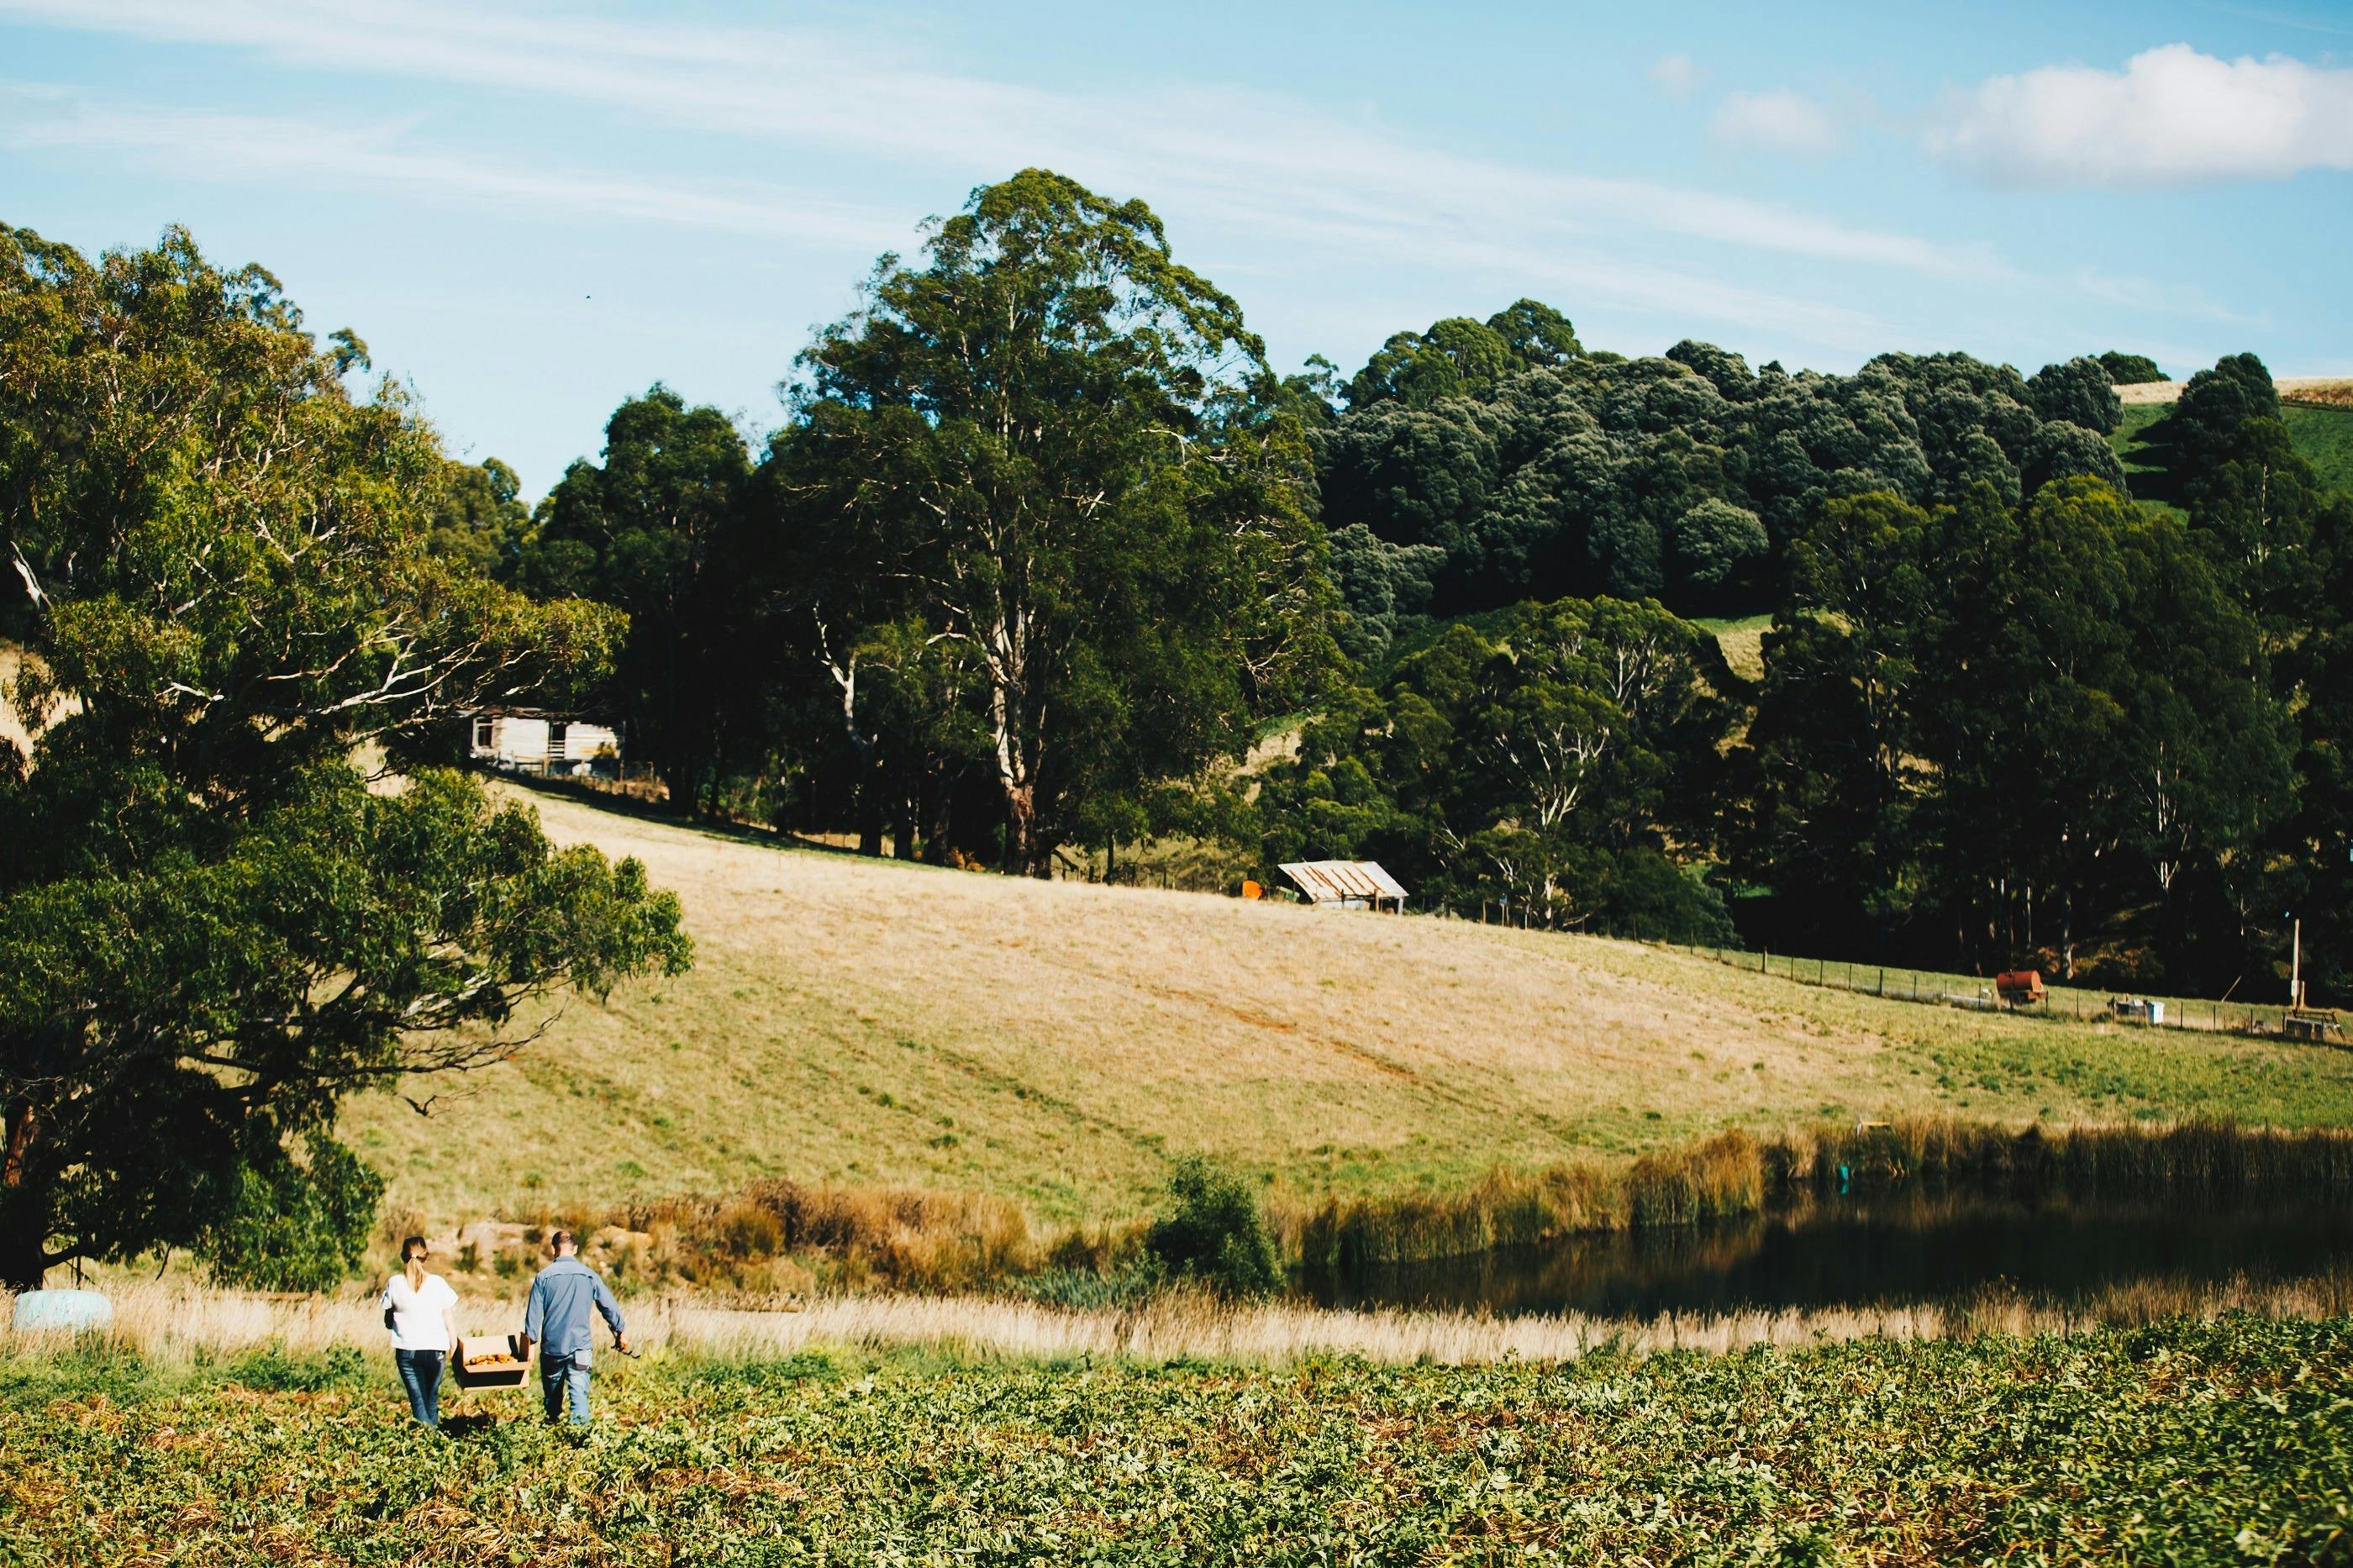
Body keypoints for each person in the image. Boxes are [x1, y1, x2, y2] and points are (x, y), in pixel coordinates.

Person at [519, 1229, 628, 1426]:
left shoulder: (543, 1277)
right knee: (579, 1395)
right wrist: (620, 1331)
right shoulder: (589, 1275)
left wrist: (530, 1345)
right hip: (581, 1347)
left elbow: (533, 1316)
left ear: (553, 1249)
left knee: (552, 1396)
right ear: (575, 1249)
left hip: (553, 1348)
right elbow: (609, 1306)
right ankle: (579, 1440)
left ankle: (552, 1426)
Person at [379, 1235, 459, 1429]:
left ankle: (426, 1442)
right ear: (426, 1257)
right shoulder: (438, 1283)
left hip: (407, 1352)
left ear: (402, 1257)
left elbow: (388, 1321)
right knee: (431, 1400)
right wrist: (454, 1344)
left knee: (418, 1402)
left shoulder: (395, 1283)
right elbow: (448, 1318)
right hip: (436, 1351)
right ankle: (434, 1442)